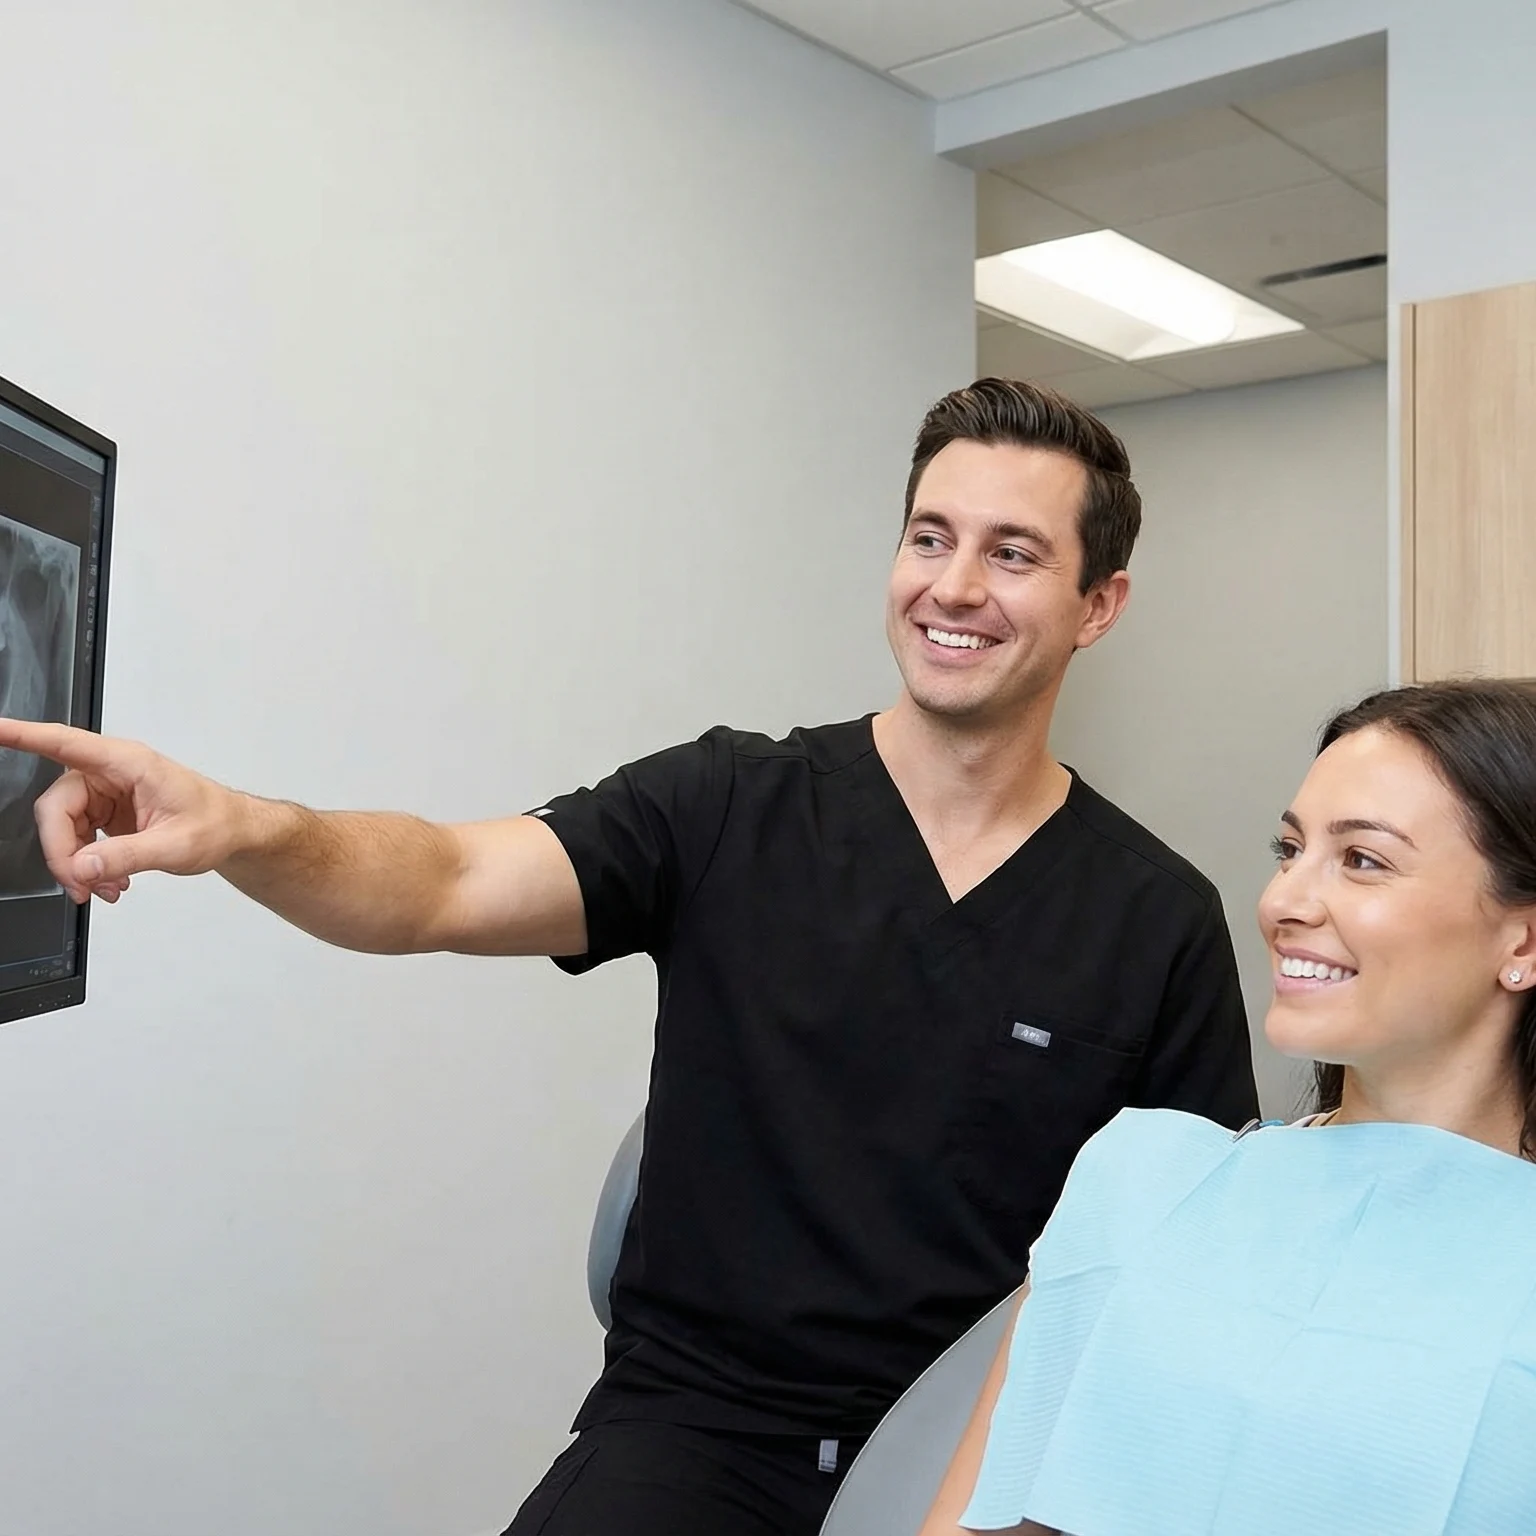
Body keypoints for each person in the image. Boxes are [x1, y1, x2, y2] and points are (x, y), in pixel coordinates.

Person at [0, 379, 1259, 1536]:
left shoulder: (1154, 919)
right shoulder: (727, 805)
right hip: (695, 1431)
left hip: (968, 1453)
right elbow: (443, 879)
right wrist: (240, 825)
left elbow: (1181, 1276)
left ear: (1100, 606)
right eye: (929, 537)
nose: (954, 585)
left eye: (1014, 553)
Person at [921, 677, 1536, 1536]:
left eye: (1362, 859)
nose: (1283, 901)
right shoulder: (1141, 1181)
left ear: (1524, 940)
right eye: (1290, 850)